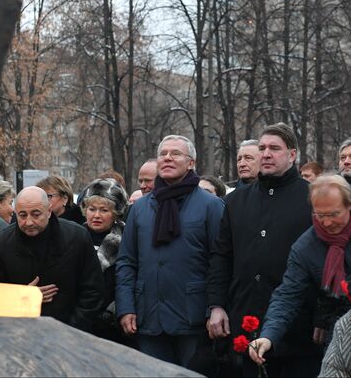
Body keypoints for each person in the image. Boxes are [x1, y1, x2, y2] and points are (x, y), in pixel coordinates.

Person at [247, 175, 351, 367]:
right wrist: (268, 335)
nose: (327, 223)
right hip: (345, 337)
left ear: (350, 204)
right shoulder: (306, 247)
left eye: (334, 214)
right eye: (320, 215)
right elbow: (288, 294)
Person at [207, 122, 322, 377]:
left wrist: (322, 317)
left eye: (275, 148)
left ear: (292, 155)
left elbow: (325, 261)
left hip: (299, 326)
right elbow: (221, 257)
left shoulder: (313, 197)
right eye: (262, 148)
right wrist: (216, 305)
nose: (266, 154)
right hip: (247, 319)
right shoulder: (235, 200)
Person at [116, 135, 224, 368]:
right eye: (163, 154)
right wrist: (125, 307)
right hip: (148, 317)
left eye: (175, 153)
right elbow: (126, 261)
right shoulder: (140, 208)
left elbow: (220, 262)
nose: (167, 158)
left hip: (192, 318)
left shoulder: (210, 206)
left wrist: (215, 307)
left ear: (191, 162)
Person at [0, 186, 105, 332]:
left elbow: (93, 291)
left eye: (36, 214)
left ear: (49, 212)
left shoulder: (77, 237)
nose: (29, 222)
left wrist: (70, 330)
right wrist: (21, 296)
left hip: (69, 333)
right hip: (19, 332)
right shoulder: (1, 242)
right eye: (22, 215)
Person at [80, 178, 129, 342]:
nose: (96, 215)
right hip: (78, 321)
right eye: (92, 209)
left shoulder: (126, 241)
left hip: (112, 325)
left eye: (104, 210)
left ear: (115, 213)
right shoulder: (73, 238)